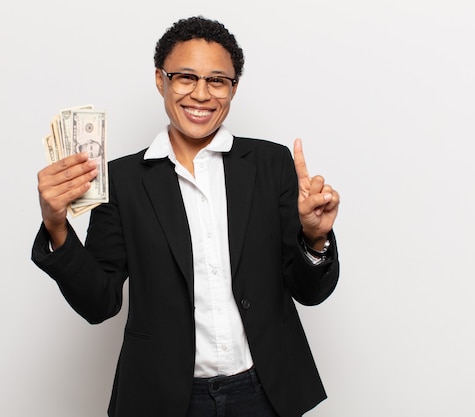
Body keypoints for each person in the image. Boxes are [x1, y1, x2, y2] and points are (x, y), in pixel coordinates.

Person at [32, 16, 340, 417]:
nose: (201, 94)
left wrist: (314, 239)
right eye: (185, 78)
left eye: (217, 80)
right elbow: (98, 303)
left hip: (264, 392)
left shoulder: (271, 164)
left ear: (233, 88)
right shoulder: (123, 181)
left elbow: (309, 292)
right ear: (161, 80)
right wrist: (57, 227)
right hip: (163, 398)